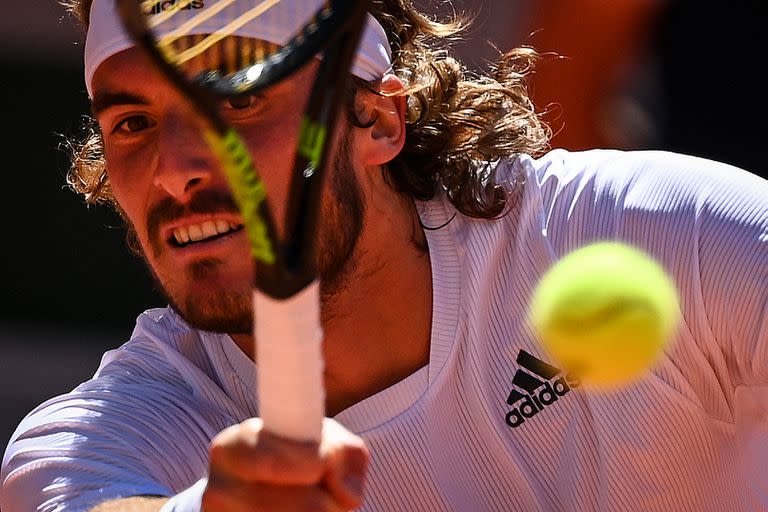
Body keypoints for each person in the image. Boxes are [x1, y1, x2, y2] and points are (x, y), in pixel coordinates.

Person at [2, 0, 767, 510]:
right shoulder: (111, 430)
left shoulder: (658, 229)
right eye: (133, 122)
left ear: (375, 121)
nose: (174, 169)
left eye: (236, 102)